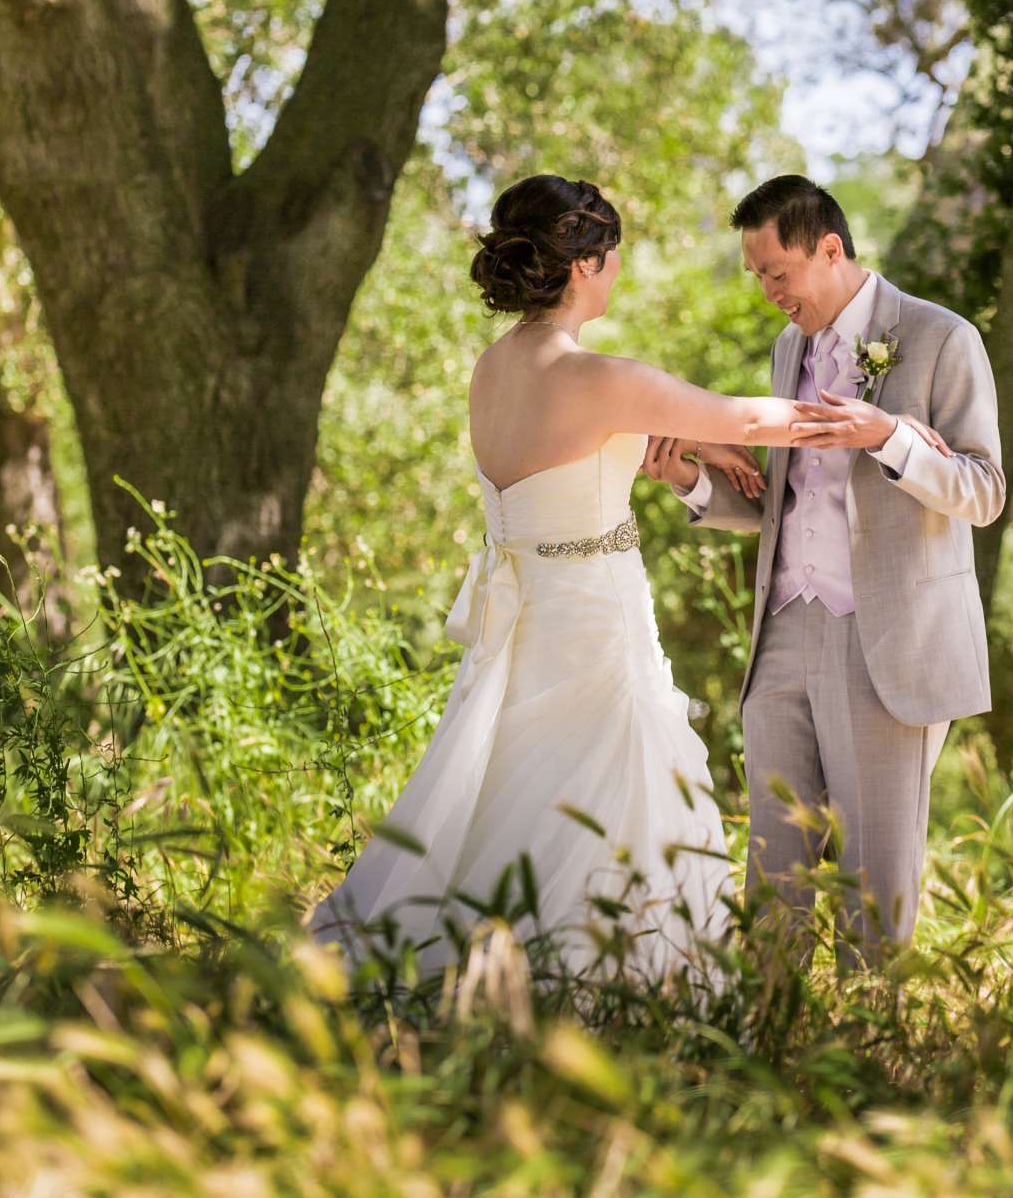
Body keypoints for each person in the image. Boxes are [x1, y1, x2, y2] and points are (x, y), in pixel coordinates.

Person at [309, 173, 819, 988]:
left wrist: (668, 439)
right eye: (612, 256)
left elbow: (568, 447)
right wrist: (873, 422)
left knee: (511, 786)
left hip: (524, 623)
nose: (617, 271)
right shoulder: (601, 376)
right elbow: (750, 420)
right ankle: (612, 981)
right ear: (584, 263)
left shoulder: (492, 370)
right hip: (596, 621)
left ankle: (474, 966)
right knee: (611, 785)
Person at [647, 173, 1005, 966]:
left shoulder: (943, 338)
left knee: (876, 883)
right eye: (757, 276)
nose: (769, 291)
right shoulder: (790, 350)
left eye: (778, 272)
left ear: (831, 249)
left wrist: (886, 435)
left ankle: (871, 1054)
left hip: (887, 642)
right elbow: (783, 504)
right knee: (774, 873)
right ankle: (766, 1039)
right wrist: (692, 483)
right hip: (781, 636)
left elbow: (983, 492)